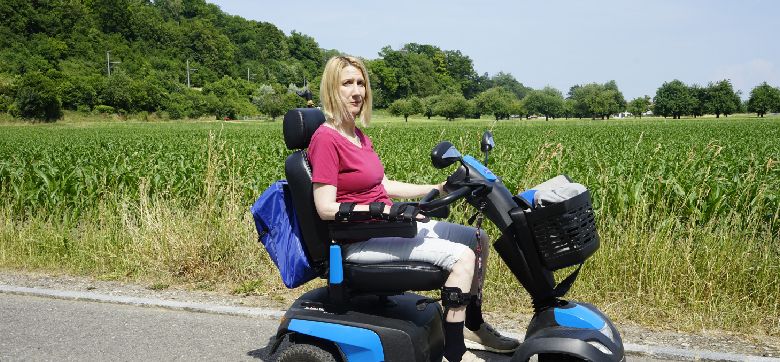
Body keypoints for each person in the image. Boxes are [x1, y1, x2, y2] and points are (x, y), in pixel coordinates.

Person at [308, 55, 519, 362]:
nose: (357, 91)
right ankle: (454, 353)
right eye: (347, 84)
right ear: (331, 89)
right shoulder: (326, 139)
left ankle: (473, 323)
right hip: (358, 241)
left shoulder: (356, 136)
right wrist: (384, 210)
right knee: (461, 258)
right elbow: (326, 207)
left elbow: (381, 184)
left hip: (385, 227)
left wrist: (437, 189)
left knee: (476, 239)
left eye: (361, 83)